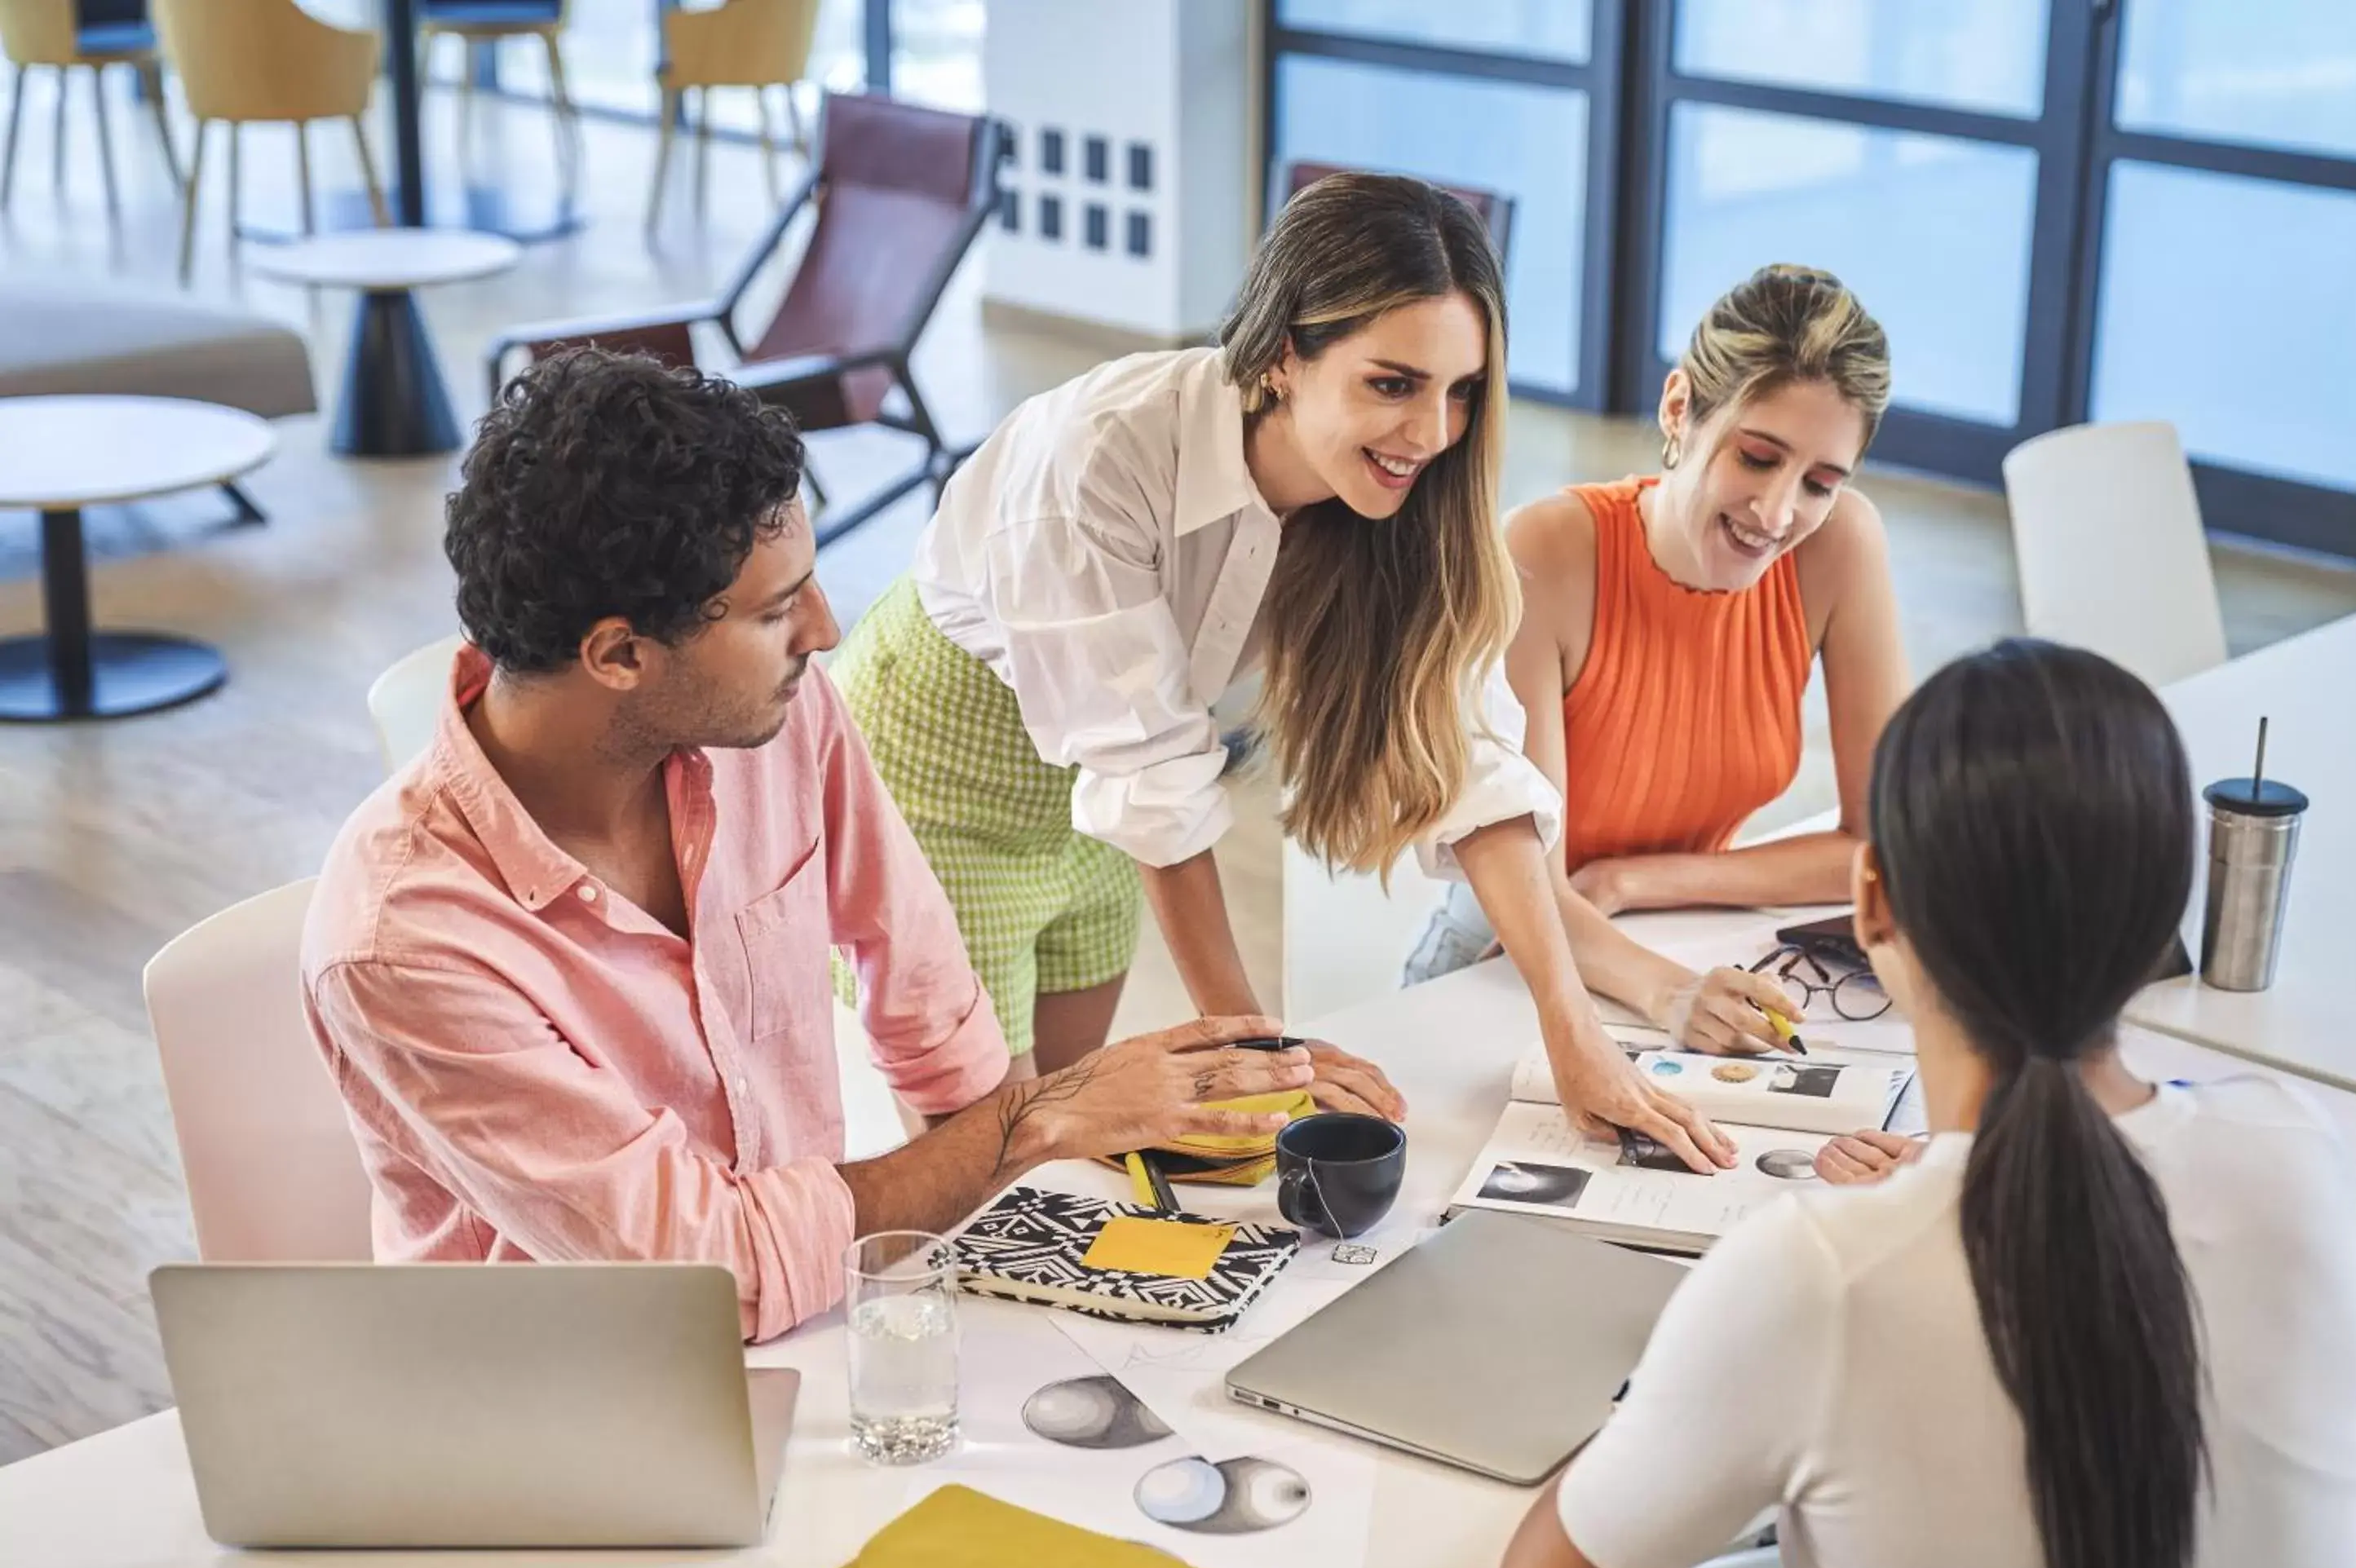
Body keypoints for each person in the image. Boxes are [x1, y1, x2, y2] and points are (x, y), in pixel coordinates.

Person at [301, 351, 1315, 1342]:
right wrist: (1041, 1116)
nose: (826, 632)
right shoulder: (402, 941)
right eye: (778, 608)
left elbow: (923, 986)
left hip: (816, 1313)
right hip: (581, 1391)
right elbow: (708, 1276)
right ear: (619, 653)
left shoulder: (772, 722)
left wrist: (1028, 1240)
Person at [833, 171, 1735, 1173]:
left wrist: (1576, 1032)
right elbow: (1157, 797)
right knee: (991, 1157)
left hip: (1099, 815)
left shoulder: (1399, 505)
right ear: (1279, 358)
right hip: (939, 797)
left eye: (1461, 389)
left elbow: (1470, 760)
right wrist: (1266, 1050)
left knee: (1068, 1148)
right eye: (1392, 383)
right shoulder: (1097, 459)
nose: (1434, 435)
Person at [1496, 639, 2356, 1568]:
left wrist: (1695, 1377)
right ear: (2162, 918)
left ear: (1871, 901)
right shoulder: (2297, 1151)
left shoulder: (1814, 1272)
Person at [1406, 265, 1911, 1057]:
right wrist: (1668, 988)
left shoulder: (1841, 544)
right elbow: (1535, 882)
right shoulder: (1545, 553)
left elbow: (1882, 848)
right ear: (1680, 408)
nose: (1778, 513)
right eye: (1755, 456)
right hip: (1505, 961)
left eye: (1819, 481)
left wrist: (1635, 881)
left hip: (1674, 943)